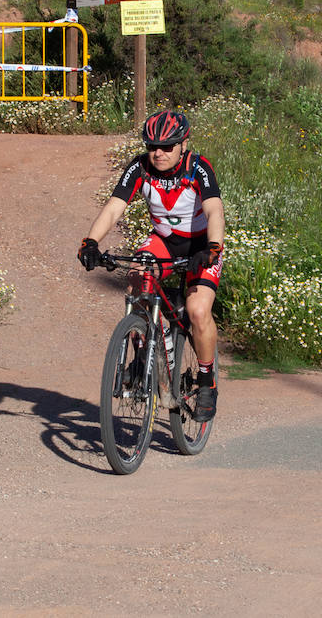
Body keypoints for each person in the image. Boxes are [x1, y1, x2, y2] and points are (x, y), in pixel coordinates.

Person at [78, 109, 224, 422]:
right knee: (135, 280)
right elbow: (114, 207)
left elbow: (214, 211)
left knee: (198, 311)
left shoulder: (199, 168)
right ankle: (144, 347)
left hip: (201, 246)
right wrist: (90, 242)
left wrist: (213, 248)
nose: (157, 153)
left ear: (184, 143)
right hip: (163, 241)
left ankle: (206, 379)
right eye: (152, 146)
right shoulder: (139, 167)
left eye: (166, 147)